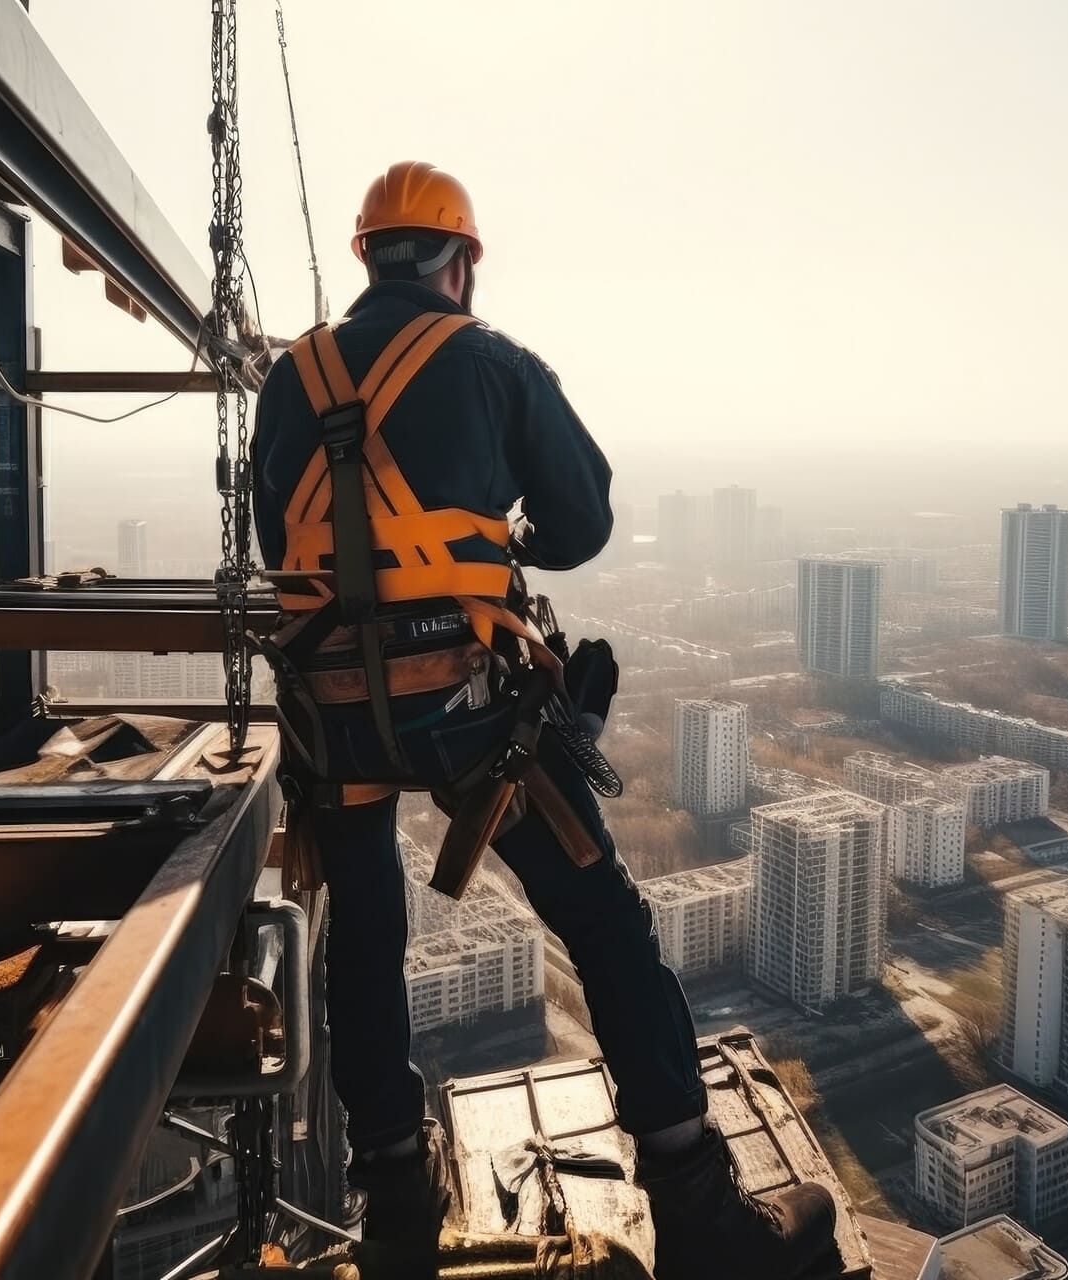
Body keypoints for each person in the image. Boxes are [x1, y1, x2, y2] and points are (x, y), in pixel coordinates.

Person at [251, 161, 842, 1279]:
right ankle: (699, 1209)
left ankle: (393, 1207)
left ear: (368, 255)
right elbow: (582, 518)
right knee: (603, 919)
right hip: (472, 718)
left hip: (335, 723)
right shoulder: (492, 361)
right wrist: (488, 543)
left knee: (365, 936)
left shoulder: (291, 378)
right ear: (460, 261)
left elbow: (270, 533)